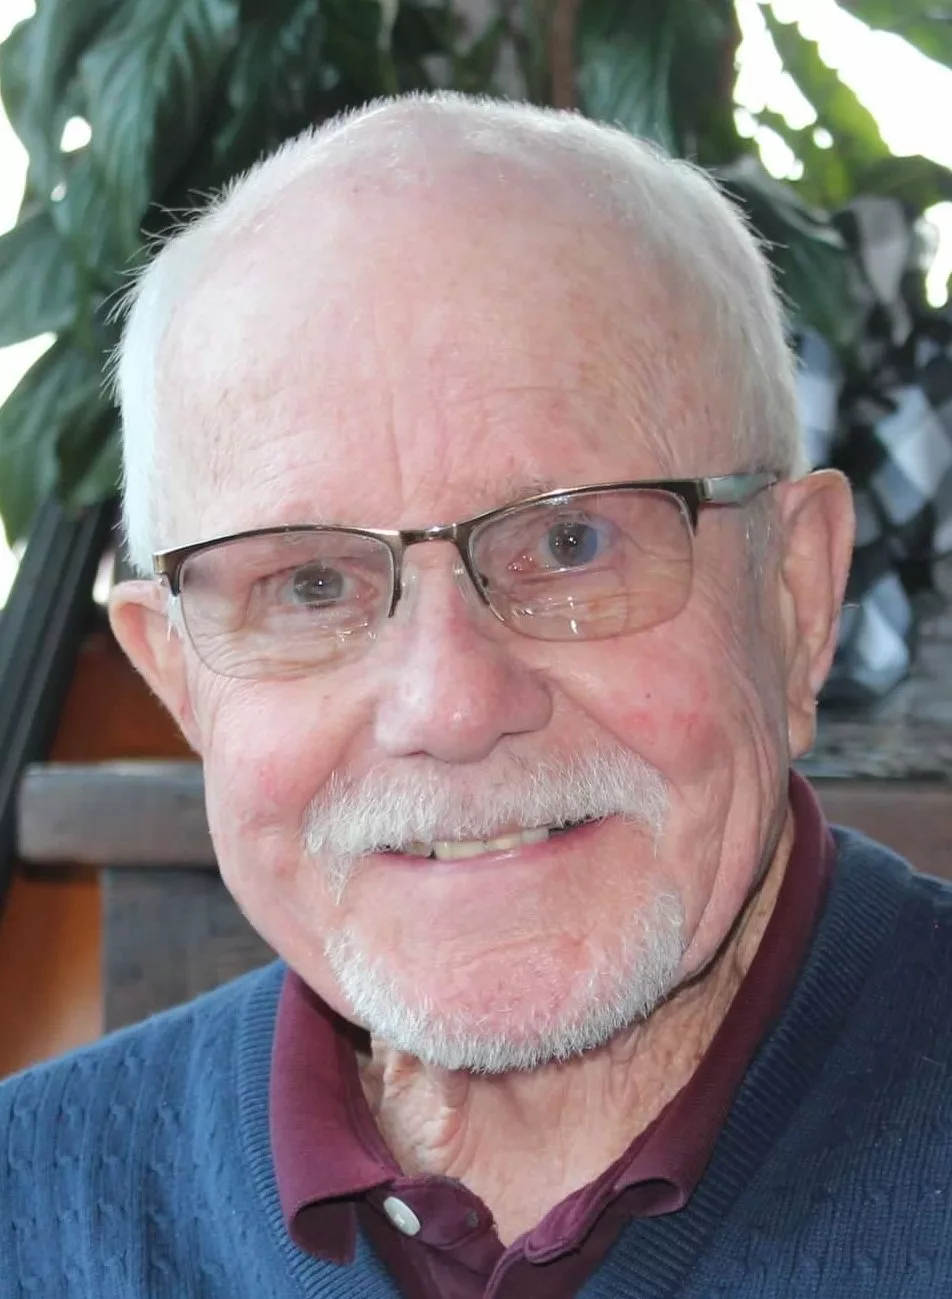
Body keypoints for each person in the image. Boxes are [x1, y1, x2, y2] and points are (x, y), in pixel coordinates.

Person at [1, 92, 950, 1299]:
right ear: (179, 679)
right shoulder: (27, 1212)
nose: (449, 706)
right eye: (310, 583)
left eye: (568, 544)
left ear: (795, 597)